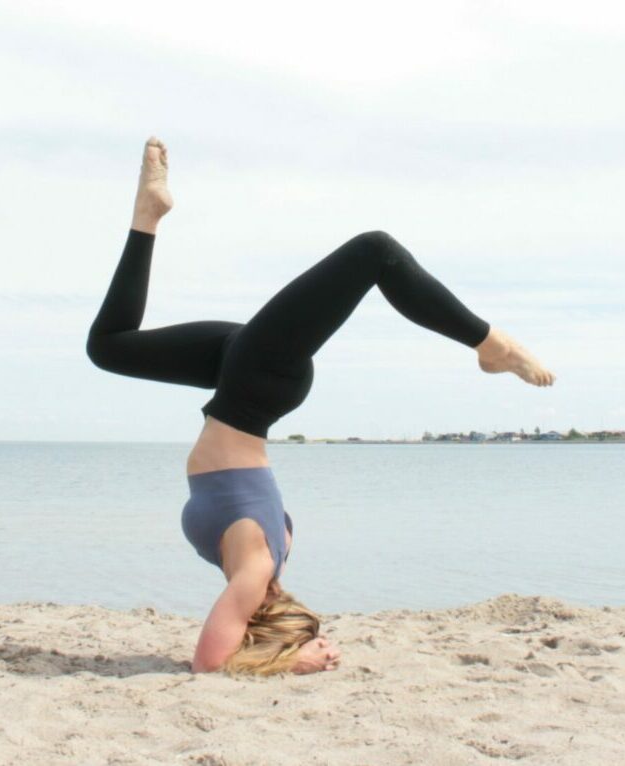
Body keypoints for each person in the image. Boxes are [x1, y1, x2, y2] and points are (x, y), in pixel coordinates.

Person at [86, 136, 556, 677]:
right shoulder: (261, 564)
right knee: (374, 251)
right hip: (254, 385)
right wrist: (294, 657)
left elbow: (208, 662)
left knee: (110, 346)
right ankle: (492, 345)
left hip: (243, 378)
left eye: (302, 627)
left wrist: (288, 660)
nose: (316, 628)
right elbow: (216, 659)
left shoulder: (255, 570)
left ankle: (147, 216)